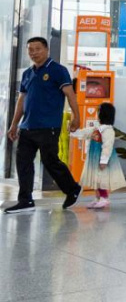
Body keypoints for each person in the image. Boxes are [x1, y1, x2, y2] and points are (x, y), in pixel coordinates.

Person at [4, 37, 82, 214]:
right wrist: (14, 124)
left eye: (37, 49)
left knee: (50, 161)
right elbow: (22, 100)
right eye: (30, 50)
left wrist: (76, 117)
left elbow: (70, 95)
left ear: (46, 50)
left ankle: (72, 189)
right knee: (23, 163)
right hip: (27, 127)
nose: (34, 53)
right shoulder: (27, 73)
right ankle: (25, 200)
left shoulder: (58, 70)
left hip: (49, 126)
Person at [70, 102, 126, 209]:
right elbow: (86, 132)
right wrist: (74, 133)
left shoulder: (108, 130)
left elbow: (107, 146)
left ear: (103, 114)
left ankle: (104, 198)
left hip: (102, 159)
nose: (97, 114)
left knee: (101, 180)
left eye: (98, 111)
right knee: (96, 179)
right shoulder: (98, 128)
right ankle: (98, 198)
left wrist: (104, 161)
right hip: (95, 158)